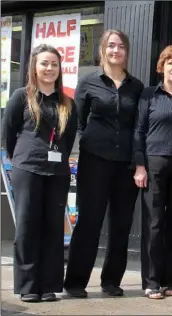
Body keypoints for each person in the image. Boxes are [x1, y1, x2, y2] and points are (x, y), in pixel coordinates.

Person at [63, 29, 144, 298]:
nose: (115, 51)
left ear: (126, 52)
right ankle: (75, 282)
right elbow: (78, 122)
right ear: (102, 50)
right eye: (111, 46)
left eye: (120, 46)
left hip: (125, 166)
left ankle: (111, 281)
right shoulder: (88, 83)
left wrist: (138, 162)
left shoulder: (137, 86)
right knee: (89, 222)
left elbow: (138, 128)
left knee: (121, 225)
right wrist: (80, 150)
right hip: (94, 162)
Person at [1, 44, 77, 302]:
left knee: (53, 227)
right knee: (27, 227)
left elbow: (68, 139)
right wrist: (21, 158)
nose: (49, 68)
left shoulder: (67, 103)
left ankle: (48, 285)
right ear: (34, 66)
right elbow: (8, 136)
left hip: (57, 173)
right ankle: (28, 286)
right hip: (28, 169)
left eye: (54, 64)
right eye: (44, 63)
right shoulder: (20, 96)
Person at [133, 45, 172, 299]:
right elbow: (139, 131)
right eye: (170, 62)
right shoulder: (150, 95)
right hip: (154, 164)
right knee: (154, 223)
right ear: (162, 67)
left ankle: (169, 280)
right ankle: (151, 281)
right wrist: (139, 165)